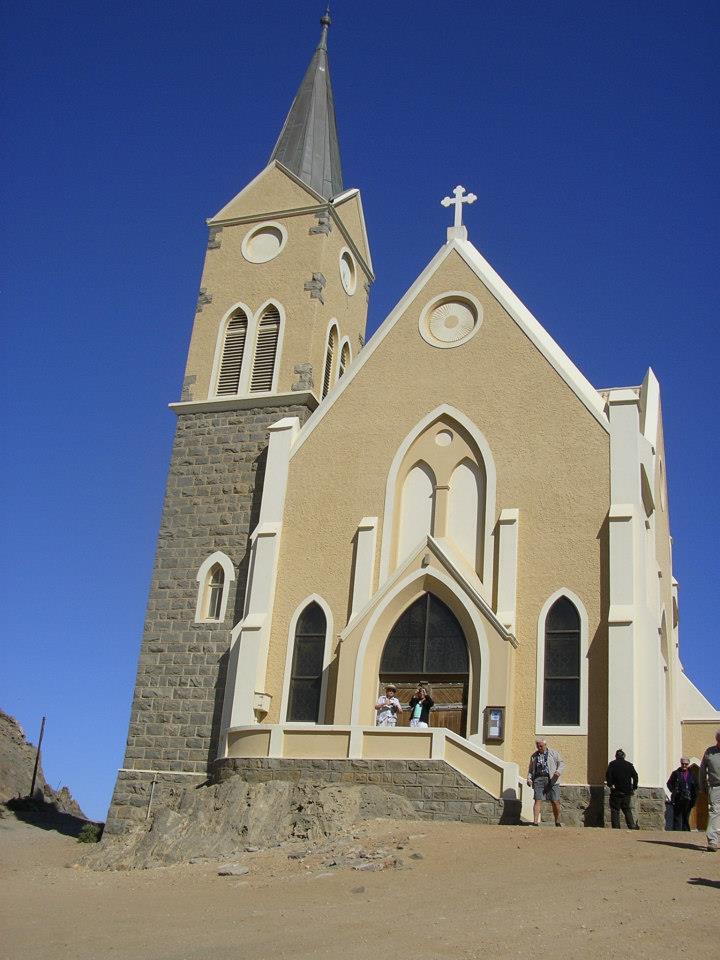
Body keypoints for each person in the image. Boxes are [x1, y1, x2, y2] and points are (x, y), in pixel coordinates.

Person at [527, 738, 565, 826]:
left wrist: (558, 772)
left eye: (541, 746)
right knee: (538, 799)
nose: (539, 747)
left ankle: (557, 821)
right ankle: (535, 822)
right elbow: (530, 769)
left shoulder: (553, 753)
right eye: (537, 746)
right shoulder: (534, 756)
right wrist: (529, 779)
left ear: (545, 745)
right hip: (538, 779)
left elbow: (561, 764)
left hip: (552, 779)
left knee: (555, 801)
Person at [605, 748, 639, 829]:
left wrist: (610, 785)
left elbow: (608, 775)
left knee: (615, 810)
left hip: (616, 791)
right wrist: (634, 787)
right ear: (624, 756)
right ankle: (632, 826)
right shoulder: (629, 765)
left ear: (616, 756)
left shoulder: (612, 764)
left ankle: (616, 828)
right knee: (627, 809)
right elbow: (635, 776)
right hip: (627, 792)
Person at [699, 728, 720, 852]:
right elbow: (702, 770)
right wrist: (702, 786)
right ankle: (712, 841)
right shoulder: (709, 752)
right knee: (714, 811)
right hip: (715, 786)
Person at [666, 756, 698, 832]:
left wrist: (694, 798)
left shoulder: (692, 774)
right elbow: (669, 783)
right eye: (683, 764)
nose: (684, 765)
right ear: (681, 764)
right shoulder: (676, 773)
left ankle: (686, 832)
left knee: (686, 816)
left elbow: (696, 787)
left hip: (688, 799)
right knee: (677, 816)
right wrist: (674, 791)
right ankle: (676, 832)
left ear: (688, 764)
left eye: (686, 764)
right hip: (678, 798)